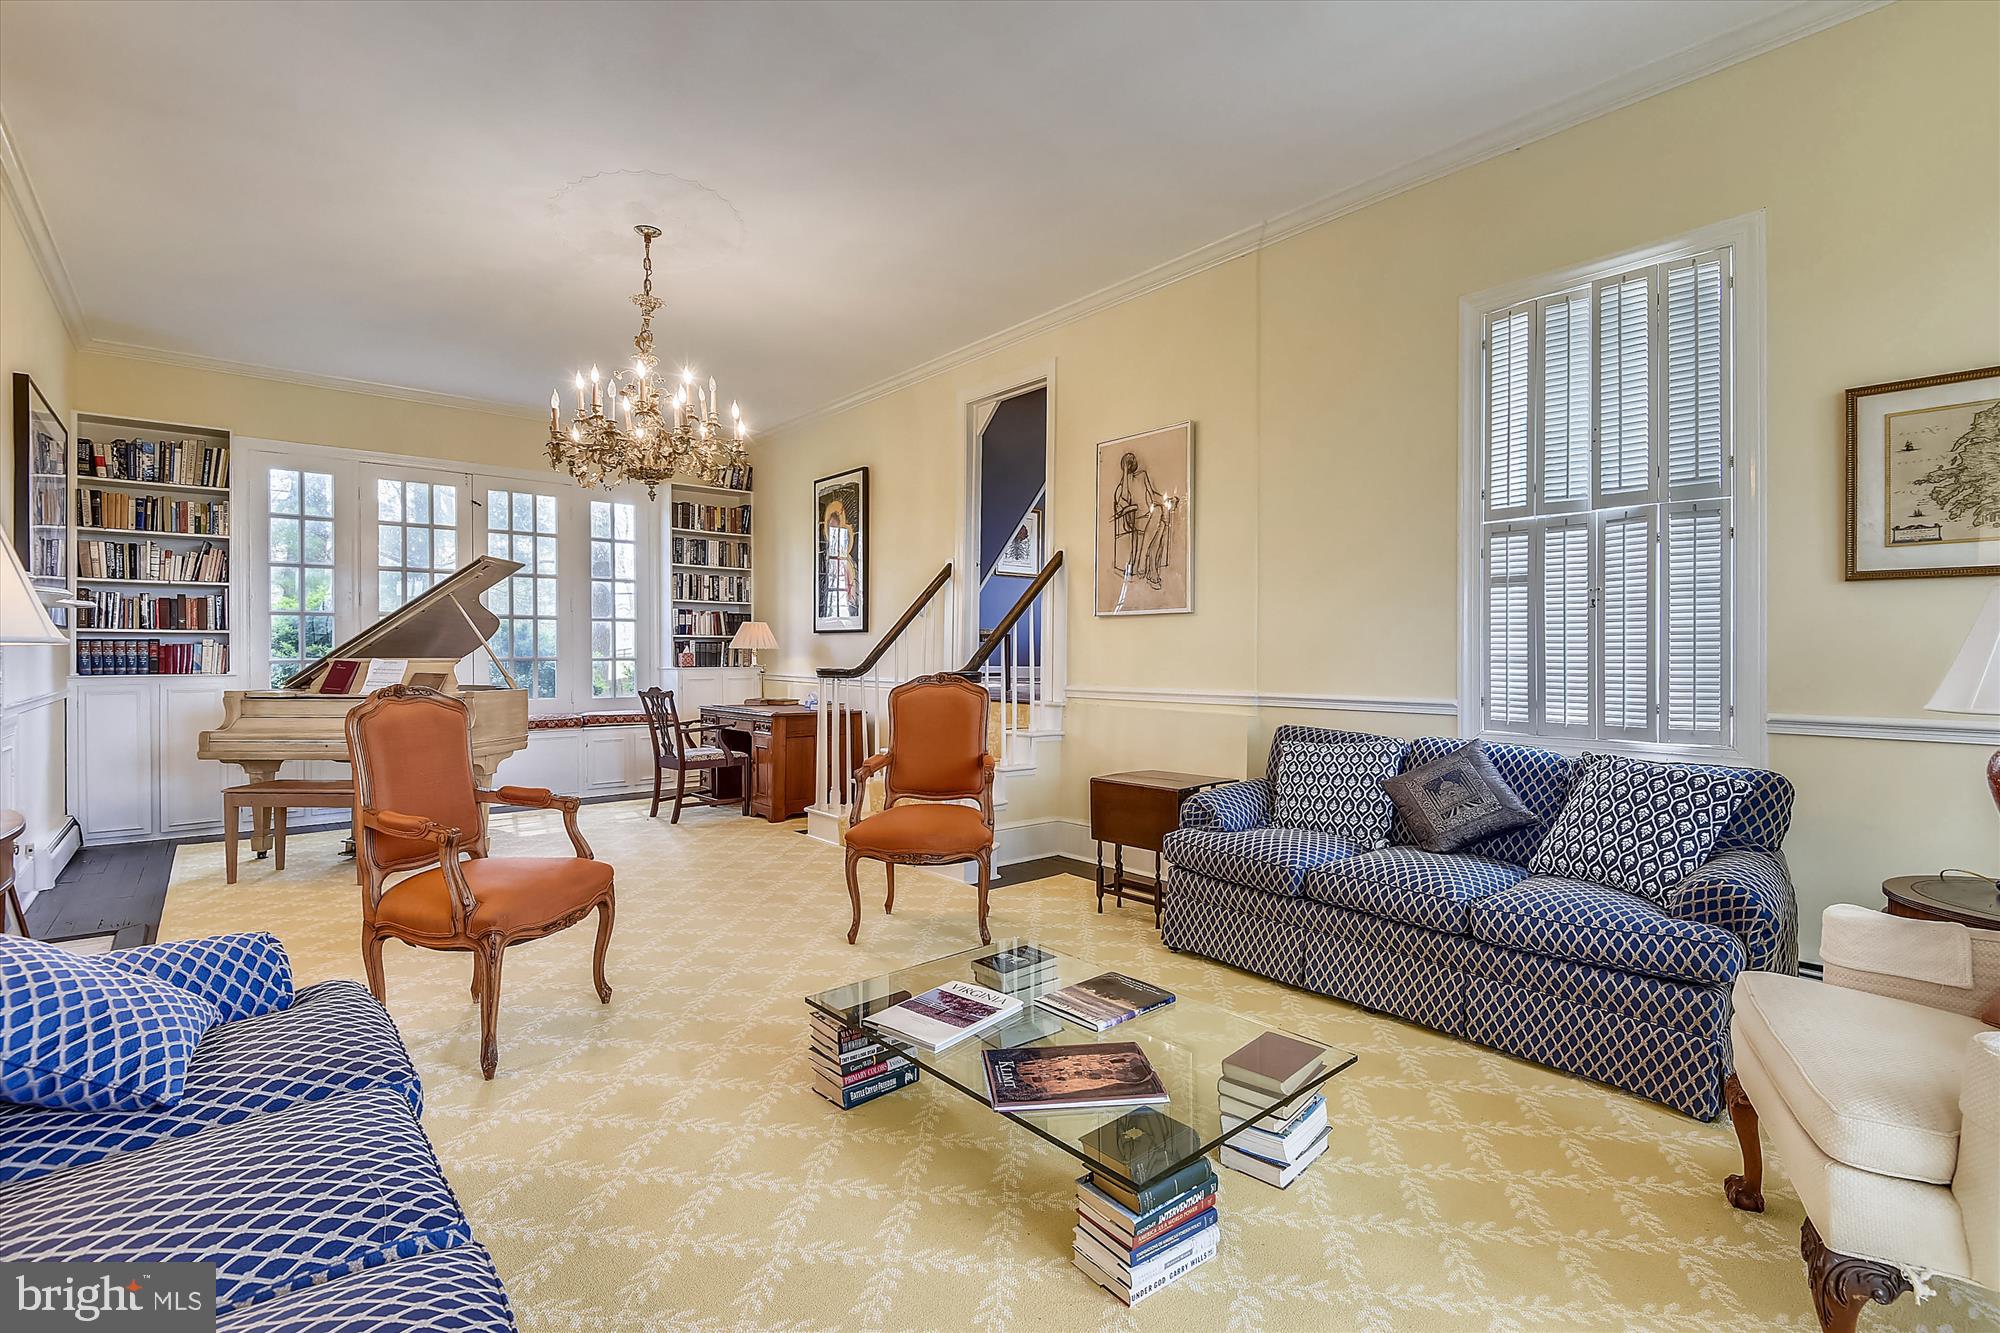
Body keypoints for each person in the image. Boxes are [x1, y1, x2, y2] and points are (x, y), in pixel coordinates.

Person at [1110, 450, 1174, 591]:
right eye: (1128, 462)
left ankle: (1149, 568)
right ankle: (1150, 570)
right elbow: (1124, 502)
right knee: (1159, 517)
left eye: (1132, 460)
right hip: (1137, 519)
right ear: (1125, 465)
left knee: (1160, 520)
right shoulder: (1122, 486)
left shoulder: (1143, 476)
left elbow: (1152, 496)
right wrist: (1125, 474)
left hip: (1151, 517)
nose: (1132, 462)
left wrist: (1166, 501)